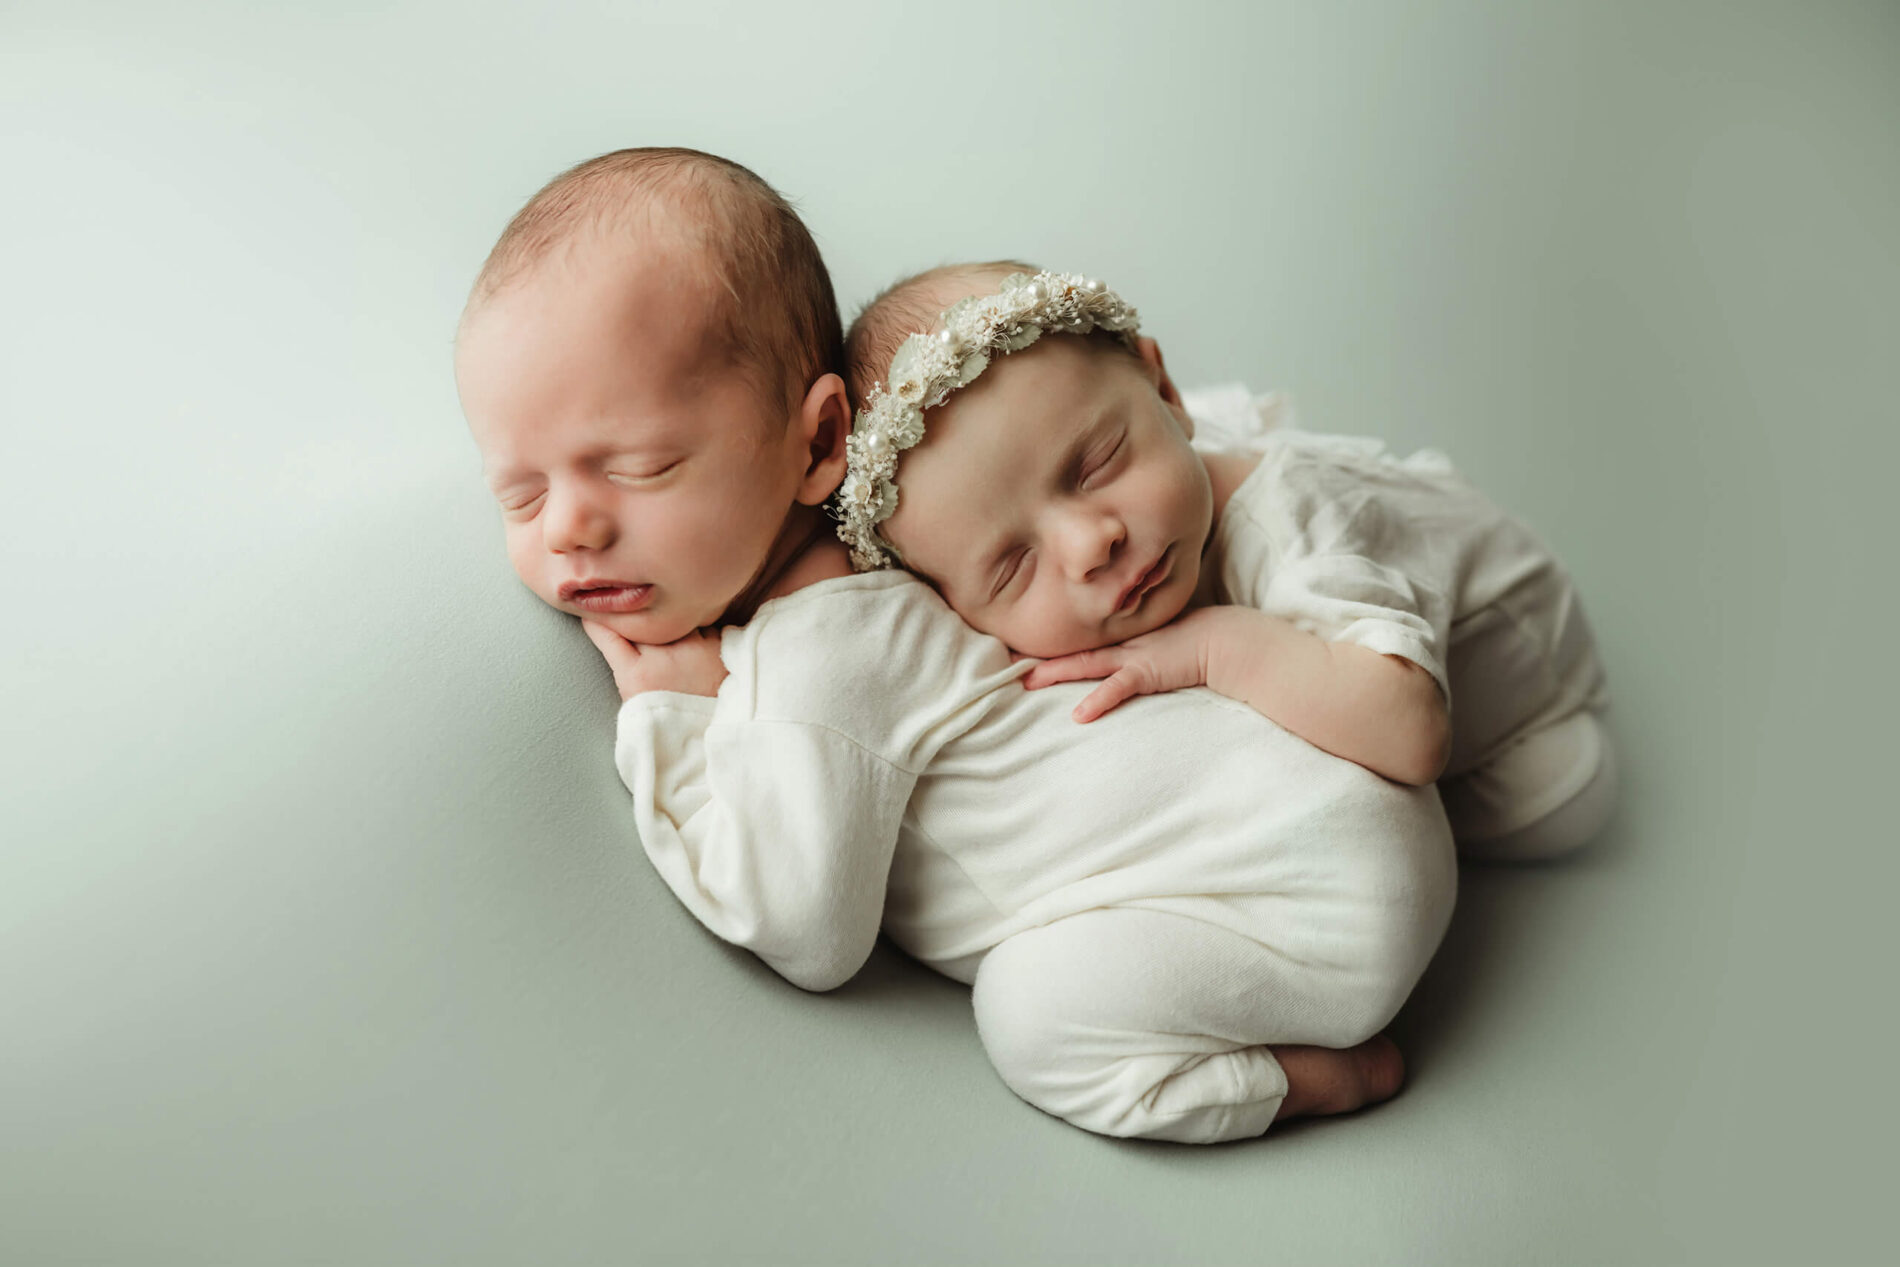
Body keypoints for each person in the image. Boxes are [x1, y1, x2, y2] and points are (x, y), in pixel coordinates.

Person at [456, 148, 1456, 1144]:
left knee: (1029, 1016)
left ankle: (1306, 1079)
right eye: (521, 494)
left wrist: (672, 722)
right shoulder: (910, 538)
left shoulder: (827, 652)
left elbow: (807, 932)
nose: (570, 530)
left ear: (817, 443)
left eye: (639, 466)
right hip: (1330, 817)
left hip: (1297, 894)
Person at [842, 262, 1616, 862]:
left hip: (1533, 690)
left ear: (1166, 388)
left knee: (1566, 794)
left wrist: (1213, 647)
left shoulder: (1290, 525)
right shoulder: (1139, 502)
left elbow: (1412, 730)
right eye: (1012, 566)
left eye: (1098, 462)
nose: (1089, 544)